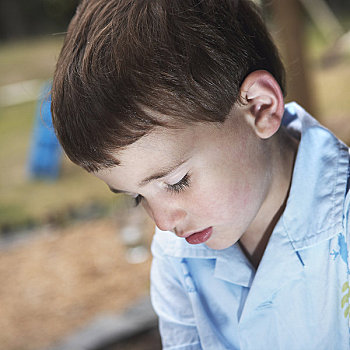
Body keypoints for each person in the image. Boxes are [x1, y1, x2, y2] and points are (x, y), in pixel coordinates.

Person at [51, 0, 350, 348]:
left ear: (259, 108)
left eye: (177, 182)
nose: (162, 223)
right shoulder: (178, 259)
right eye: (137, 197)